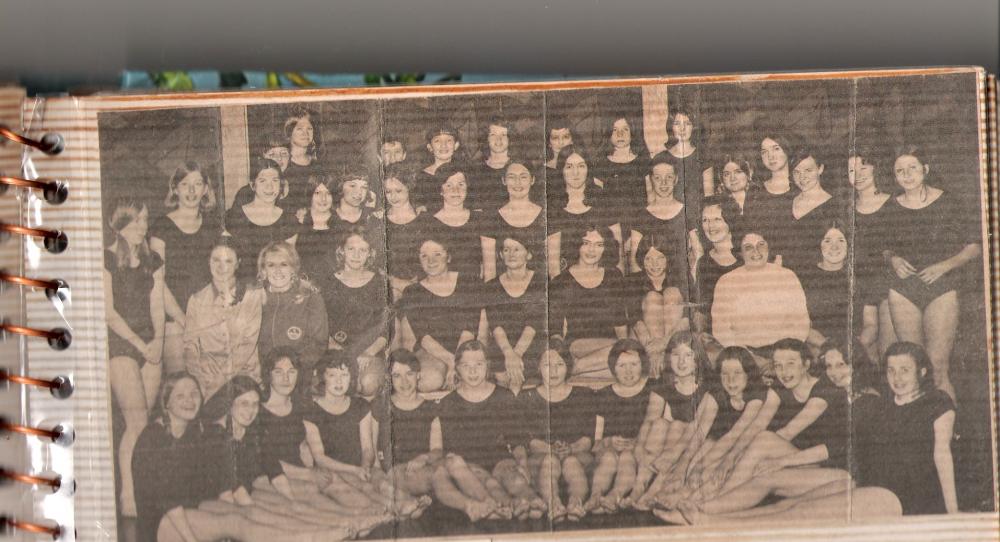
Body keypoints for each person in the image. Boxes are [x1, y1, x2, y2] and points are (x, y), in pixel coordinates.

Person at [881, 146, 980, 400]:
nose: (906, 174)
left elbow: (974, 247)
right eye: (899, 171)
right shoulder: (890, 206)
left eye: (912, 168)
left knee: (936, 368)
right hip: (904, 291)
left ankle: (948, 435)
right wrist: (894, 260)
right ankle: (920, 433)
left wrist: (944, 265)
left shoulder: (949, 201)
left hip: (941, 288)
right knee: (912, 368)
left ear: (925, 169)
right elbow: (884, 248)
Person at [709, 339, 848, 496]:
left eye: (790, 364)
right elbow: (757, 425)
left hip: (820, 464)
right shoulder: (780, 386)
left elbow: (788, 432)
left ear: (806, 365)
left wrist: (741, 457)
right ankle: (712, 494)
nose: (784, 372)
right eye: (778, 366)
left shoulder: (823, 390)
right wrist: (732, 457)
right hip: (792, 457)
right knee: (738, 453)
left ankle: (722, 496)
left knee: (762, 442)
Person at [375, 350, 499, 522]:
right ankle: (469, 506)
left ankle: (489, 503)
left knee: (453, 461)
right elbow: (374, 450)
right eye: (397, 376)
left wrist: (422, 458)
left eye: (409, 374)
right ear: (390, 379)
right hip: (399, 472)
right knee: (438, 473)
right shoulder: (382, 407)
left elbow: (436, 450)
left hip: (426, 466)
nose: (404, 382)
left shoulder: (430, 407)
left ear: (418, 375)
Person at [302, 353, 428, 519]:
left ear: (351, 378)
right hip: (334, 471)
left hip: (361, 467)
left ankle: (406, 503)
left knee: (382, 482)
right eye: (332, 375)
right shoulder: (312, 412)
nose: (339, 381)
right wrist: (354, 471)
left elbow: (368, 448)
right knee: (364, 489)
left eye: (344, 375)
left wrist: (365, 466)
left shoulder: (360, 406)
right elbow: (320, 458)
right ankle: (396, 510)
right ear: (321, 377)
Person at [104, 198, 166, 517]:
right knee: (136, 421)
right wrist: (142, 346)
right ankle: (127, 495)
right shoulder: (106, 259)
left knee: (144, 427)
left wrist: (158, 341)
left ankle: (142, 490)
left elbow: (157, 306)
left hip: (149, 344)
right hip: (121, 345)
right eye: (136, 221)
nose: (142, 227)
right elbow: (109, 313)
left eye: (145, 220)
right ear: (120, 223)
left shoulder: (152, 260)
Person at [437, 341, 547, 520]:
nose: (473, 371)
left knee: (514, 478)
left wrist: (522, 464)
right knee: (487, 482)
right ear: (457, 368)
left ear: (488, 366)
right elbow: (450, 452)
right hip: (468, 467)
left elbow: (517, 440)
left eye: (478, 365)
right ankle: (505, 505)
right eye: (466, 366)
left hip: (499, 461)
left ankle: (531, 500)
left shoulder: (503, 396)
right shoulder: (449, 403)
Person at [858, 342, 958, 515]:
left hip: (916, 499)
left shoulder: (938, 402)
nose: (897, 378)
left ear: (922, 372)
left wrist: (953, 511)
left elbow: (942, 455)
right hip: (878, 492)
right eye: (891, 370)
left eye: (905, 370)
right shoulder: (880, 406)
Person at [150, 162, 223, 374]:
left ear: (206, 189)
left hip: (208, 314)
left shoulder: (213, 225)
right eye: (184, 184)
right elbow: (158, 283)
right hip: (174, 317)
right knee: (181, 383)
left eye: (198, 184)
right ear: (174, 188)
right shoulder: (161, 226)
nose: (191, 191)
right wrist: (185, 320)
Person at [519, 340, 596, 521]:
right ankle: (554, 504)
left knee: (570, 462)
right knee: (550, 461)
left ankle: (575, 503)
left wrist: (571, 449)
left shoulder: (583, 394)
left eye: (559, 364)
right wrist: (549, 449)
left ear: (568, 366)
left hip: (578, 455)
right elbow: (528, 440)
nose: (553, 371)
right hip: (542, 457)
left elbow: (588, 438)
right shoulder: (527, 397)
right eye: (547, 365)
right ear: (538, 367)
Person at [631, 332, 711, 505]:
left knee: (676, 426)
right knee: (659, 423)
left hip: (696, 443)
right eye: (676, 355)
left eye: (688, 355)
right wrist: (639, 446)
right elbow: (649, 421)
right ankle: (639, 484)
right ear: (668, 357)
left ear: (697, 358)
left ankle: (657, 486)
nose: (681, 362)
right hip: (670, 444)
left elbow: (698, 427)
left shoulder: (706, 387)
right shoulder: (664, 384)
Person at [132, 372, 213, 541]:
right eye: (180, 396)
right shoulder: (153, 438)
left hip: (183, 515)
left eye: (194, 394)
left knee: (241, 517)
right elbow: (169, 503)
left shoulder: (192, 432)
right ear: (166, 402)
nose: (190, 400)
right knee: (237, 524)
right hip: (160, 525)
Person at [398, 238, 485, 391]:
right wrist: (451, 362)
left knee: (469, 379)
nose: (431, 260)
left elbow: (469, 329)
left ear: (448, 257)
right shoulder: (412, 292)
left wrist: (459, 362)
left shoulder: (468, 281)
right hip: (432, 351)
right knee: (428, 381)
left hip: (466, 348)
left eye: (437, 254)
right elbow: (423, 337)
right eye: (424, 256)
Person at [183, 239, 264, 399]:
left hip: (244, 375)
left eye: (228, 261)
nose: (221, 267)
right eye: (216, 260)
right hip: (207, 376)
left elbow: (247, 344)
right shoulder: (197, 299)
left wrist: (219, 380)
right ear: (209, 261)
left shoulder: (252, 296)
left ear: (237, 264)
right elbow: (189, 345)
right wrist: (199, 366)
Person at [313, 226, 389, 397]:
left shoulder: (379, 283)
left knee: (368, 384)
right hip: (336, 351)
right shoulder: (328, 283)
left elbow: (386, 326)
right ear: (341, 251)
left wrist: (368, 353)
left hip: (368, 351)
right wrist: (340, 354)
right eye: (351, 249)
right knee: (328, 385)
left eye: (362, 250)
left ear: (370, 254)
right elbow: (321, 325)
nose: (356, 255)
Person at [548, 226, 629, 377]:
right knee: (623, 352)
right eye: (586, 243)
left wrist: (626, 347)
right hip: (578, 346)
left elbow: (620, 323)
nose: (591, 250)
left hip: (609, 346)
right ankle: (578, 366)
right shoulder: (561, 281)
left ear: (606, 248)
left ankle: (578, 369)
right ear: (577, 245)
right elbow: (555, 332)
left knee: (626, 351)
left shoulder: (614, 276)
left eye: (599, 245)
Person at [586, 339, 654, 513]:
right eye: (622, 365)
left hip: (639, 453)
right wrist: (608, 441)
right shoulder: (603, 395)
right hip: (608, 453)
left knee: (626, 457)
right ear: (612, 367)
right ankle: (595, 496)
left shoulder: (652, 390)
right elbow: (595, 444)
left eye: (634, 364)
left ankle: (614, 496)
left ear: (643, 364)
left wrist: (639, 443)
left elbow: (660, 429)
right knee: (609, 458)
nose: (628, 371)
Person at [711, 230, 810, 349]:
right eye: (748, 247)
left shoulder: (787, 277)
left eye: (761, 245)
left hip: (783, 351)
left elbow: (801, 323)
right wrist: (746, 355)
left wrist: (785, 352)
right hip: (743, 353)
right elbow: (721, 330)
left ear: (768, 247)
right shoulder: (726, 282)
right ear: (740, 253)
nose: (756, 251)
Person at [254, 242, 328, 387]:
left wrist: (293, 369)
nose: (277, 271)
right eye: (270, 265)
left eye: (284, 264)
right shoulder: (254, 298)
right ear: (263, 271)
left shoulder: (311, 298)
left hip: (298, 376)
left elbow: (318, 343)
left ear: (293, 268)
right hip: (260, 375)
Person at [847, 148, 896, 362]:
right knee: (865, 353)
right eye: (851, 170)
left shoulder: (893, 202)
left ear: (876, 168)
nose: (857, 174)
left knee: (888, 352)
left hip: (888, 287)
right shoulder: (845, 209)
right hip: (858, 288)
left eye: (863, 167)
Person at [484, 232, 546, 392]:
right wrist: (508, 353)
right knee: (502, 376)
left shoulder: (541, 281)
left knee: (515, 377)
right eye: (506, 250)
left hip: (531, 344)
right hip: (502, 345)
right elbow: (496, 325)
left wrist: (516, 354)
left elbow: (534, 323)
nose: (511, 254)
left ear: (529, 254)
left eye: (517, 249)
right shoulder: (492, 286)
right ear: (500, 255)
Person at [546, 145, 620, 277]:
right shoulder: (554, 206)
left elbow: (618, 257)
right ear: (561, 170)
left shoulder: (604, 200)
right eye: (569, 167)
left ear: (588, 169)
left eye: (581, 166)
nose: (576, 173)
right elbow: (553, 267)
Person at [224, 158, 299, 284]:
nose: (269, 186)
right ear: (253, 184)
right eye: (262, 180)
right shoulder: (234, 217)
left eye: (275, 180)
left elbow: (288, 267)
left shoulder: (289, 220)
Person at [628, 152, 693, 289]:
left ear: (676, 179)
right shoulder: (640, 216)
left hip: (682, 284)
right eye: (658, 178)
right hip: (650, 286)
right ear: (651, 180)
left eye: (668, 177)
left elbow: (697, 252)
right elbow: (634, 261)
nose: (663, 183)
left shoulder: (687, 212)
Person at [625, 233, 687, 373]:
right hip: (645, 342)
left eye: (660, 258)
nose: (654, 264)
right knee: (652, 298)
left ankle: (666, 357)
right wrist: (652, 351)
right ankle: (657, 364)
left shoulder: (680, 279)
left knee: (672, 293)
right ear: (642, 259)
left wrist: (663, 344)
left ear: (668, 258)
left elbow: (687, 319)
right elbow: (636, 321)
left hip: (673, 341)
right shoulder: (633, 281)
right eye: (648, 259)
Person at [425, 162, 492, 280]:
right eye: (449, 185)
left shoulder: (480, 218)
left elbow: (490, 270)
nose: (456, 190)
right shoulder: (429, 223)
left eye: (461, 184)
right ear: (441, 190)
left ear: (467, 187)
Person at [784, 150, 844, 276]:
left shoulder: (835, 207)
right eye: (796, 172)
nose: (802, 177)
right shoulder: (786, 202)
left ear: (820, 169)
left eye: (808, 170)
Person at [486, 160, 545, 279]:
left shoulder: (544, 214)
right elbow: (489, 272)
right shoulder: (491, 218)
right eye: (512, 177)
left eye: (523, 177)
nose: (517, 183)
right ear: (504, 181)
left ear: (532, 180)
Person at [690, 195, 741, 335]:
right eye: (705, 220)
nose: (710, 226)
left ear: (730, 220)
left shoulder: (746, 256)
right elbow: (702, 312)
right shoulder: (704, 263)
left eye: (717, 219)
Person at [799, 222, 853, 352]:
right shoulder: (804, 276)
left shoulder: (858, 275)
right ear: (819, 245)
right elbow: (800, 325)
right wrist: (827, 347)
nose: (834, 246)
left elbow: (870, 325)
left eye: (841, 240)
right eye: (828, 241)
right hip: (817, 346)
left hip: (852, 347)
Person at [744, 134, 797, 264]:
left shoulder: (800, 189)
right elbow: (749, 233)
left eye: (776, 148)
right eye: (764, 152)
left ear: (787, 149)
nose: (770, 156)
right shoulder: (755, 192)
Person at [382, 164, 430, 300]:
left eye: (398, 191)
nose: (393, 196)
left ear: (408, 187)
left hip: (420, 287)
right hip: (390, 286)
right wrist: (394, 282)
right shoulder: (380, 221)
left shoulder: (423, 219)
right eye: (388, 191)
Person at [663, 106, 713, 230]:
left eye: (687, 123)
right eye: (677, 123)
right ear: (671, 127)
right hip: (671, 222)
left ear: (694, 127)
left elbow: (709, 197)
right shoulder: (662, 158)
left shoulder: (703, 156)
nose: (682, 128)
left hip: (698, 220)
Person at [596, 115, 649, 229]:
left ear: (633, 132)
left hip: (639, 223)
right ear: (608, 133)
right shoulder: (601, 162)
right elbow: (598, 201)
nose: (620, 134)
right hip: (610, 225)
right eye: (615, 130)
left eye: (625, 129)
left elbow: (650, 196)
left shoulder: (642, 160)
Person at [293, 173, 339, 282]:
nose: (323, 198)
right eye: (317, 193)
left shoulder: (340, 225)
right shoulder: (298, 222)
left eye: (328, 193)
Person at [414, 125, 462, 212]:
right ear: (429, 147)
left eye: (448, 140)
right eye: (437, 141)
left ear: (456, 145)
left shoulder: (465, 173)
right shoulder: (421, 177)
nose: (443, 145)